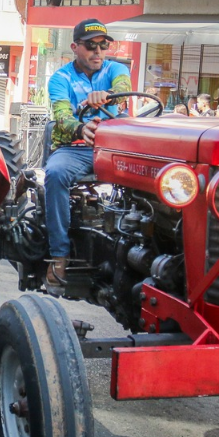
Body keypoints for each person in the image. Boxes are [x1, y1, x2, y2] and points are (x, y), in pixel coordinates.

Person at [44, 19, 131, 295]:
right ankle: (59, 255)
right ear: (75, 47)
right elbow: (61, 117)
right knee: (56, 174)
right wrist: (82, 128)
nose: (98, 51)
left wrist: (107, 96)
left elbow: (122, 87)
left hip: (115, 147)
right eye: (91, 45)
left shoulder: (115, 68)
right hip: (77, 147)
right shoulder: (61, 78)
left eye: (103, 45)